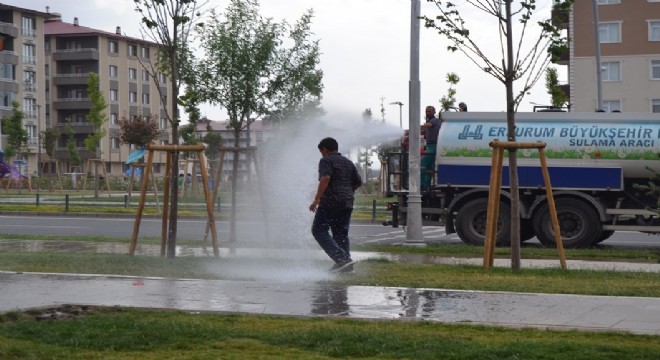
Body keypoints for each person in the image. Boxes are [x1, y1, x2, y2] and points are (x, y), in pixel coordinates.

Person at [309, 137, 363, 273]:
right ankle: (345, 266)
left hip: (330, 201)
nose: (321, 154)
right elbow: (358, 182)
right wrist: (347, 192)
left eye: (321, 151)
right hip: (347, 202)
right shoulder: (348, 162)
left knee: (318, 230)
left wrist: (316, 199)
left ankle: (342, 259)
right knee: (341, 233)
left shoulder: (326, 160)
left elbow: (325, 178)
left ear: (325, 149)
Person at [420, 105, 441, 189]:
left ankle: (422, 185)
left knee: (421, 164)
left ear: (434, 112)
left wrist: (414, 127)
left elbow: (427, 126)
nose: (427, 113)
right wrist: (408, 132)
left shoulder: (435, 121)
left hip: (433, 146)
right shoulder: (429, 123)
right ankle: (426, 185)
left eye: (429, 111)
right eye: (426, 111)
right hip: (429, 146)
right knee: (429, 167)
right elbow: (422, 130)